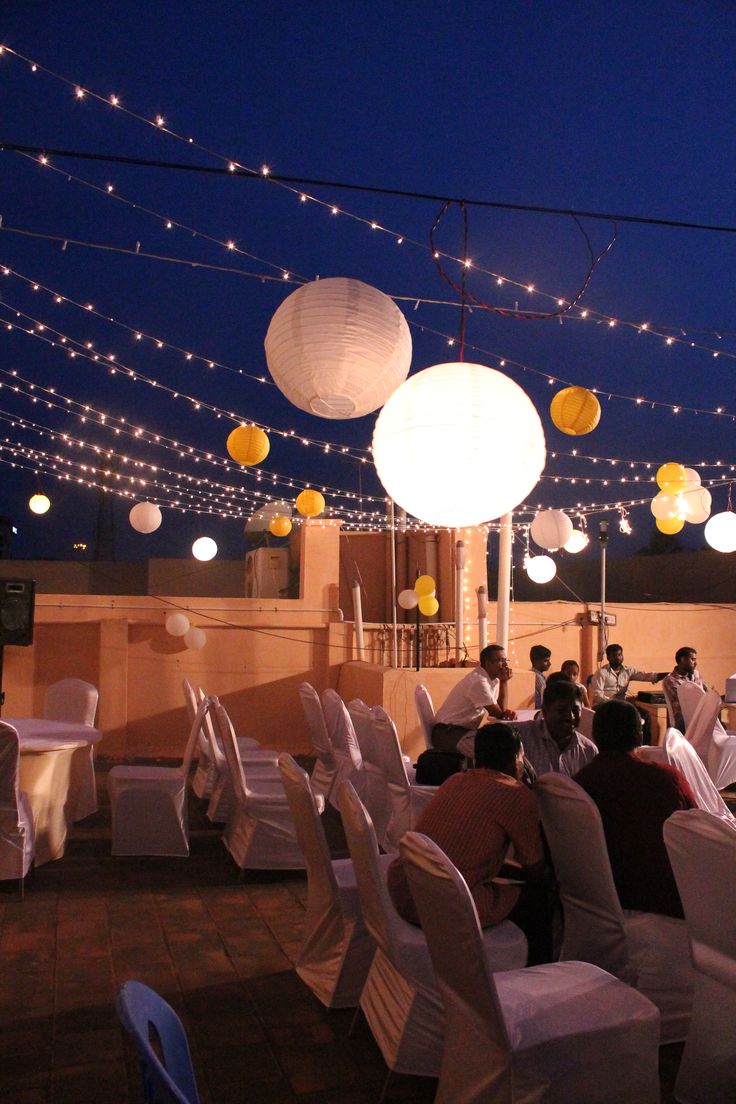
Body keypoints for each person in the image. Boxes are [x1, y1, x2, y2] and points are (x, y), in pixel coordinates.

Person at [387, 724, 553, 963]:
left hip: (406, 889)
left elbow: (467, 856)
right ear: (516, 761)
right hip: (445, 906)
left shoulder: (455, 780)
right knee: (539, 900)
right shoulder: (516, 794)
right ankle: (535, 976)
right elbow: (535, 871)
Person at [574, 699, 696, 918]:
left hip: (596, 906)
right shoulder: (667, 780)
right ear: (640, 735)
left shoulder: (578, 785)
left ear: (594, 736)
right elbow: (696, 832)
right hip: (665, 906)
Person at [432, 643, 515, 753]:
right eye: (500, 660)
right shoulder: (479, 681)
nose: (505, 665)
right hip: (447, 734)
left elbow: (500, 711)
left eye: (506, 660)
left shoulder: (492, 680)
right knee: (497, 748)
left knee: (500, 740)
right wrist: (504, 682)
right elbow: (498, 713)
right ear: (487, 663)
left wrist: (502, 711)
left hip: (460, 731)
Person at [512, 679, 597, 777]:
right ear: (545, 711)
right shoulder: (521, 737)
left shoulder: (589, 751)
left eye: (575, 710)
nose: (570, 716)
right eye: (562, 710)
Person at [589, 643, 668, 706]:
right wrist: (613, 702)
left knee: (645, 715)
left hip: (622, 705)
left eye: (620, 655)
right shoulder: (601, 672)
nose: (617, 658)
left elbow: (645, 676)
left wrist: (665, 675)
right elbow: (597, 695)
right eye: (614, 655)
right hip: (604, 705)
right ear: (608, 657)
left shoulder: (628, 671)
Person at [663, 647, 707, 732]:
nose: (696, 663)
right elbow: (685, 701)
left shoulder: (696, 674)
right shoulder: (671, 680)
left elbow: (706, 690)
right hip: (684, 716)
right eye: (692, 659)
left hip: (699, 711)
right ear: (682, 660)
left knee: (717, 722)